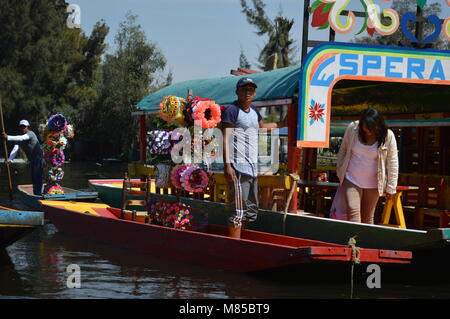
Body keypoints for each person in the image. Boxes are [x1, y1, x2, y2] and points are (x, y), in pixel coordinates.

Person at [221, 77, 285, 238]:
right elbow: (225, 138)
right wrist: (227, 165)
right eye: (244, 89)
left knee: (251, 209)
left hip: (252, 168)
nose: (248, 92)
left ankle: (241, 239)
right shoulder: (232, 110)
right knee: (238, 209)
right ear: (237, 92)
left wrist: (282, 124)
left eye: (251, 90)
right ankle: (234, 245)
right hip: (237, 167)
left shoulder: (254, 111)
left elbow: (262, 128)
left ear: (254, 93)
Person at [332, 108, 398, 224]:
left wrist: (391, 187)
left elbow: (392, 162)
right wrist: (340, 171)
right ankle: (353, 242)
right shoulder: (353, 128)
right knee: (353, 212)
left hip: (373, 183)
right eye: (365, 128)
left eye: (371, 129)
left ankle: (365, 242)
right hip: (351, 178)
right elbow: (343, 150)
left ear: (378, 125)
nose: (368, 132)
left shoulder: (388, 136)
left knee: (367, 217)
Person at [2, 120, 44, 195]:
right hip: (32, 160)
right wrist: (10, 159)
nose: (23, 128)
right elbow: (15, 149)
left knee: (37, 176)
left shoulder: (30, 134)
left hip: (39, 158)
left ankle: (39, 194)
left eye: (24, 127)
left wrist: (8, 137)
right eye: (21, 127)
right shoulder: (19, 138)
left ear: (27, 127)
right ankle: (36, 194)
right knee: (34, 178)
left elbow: (22, 138)